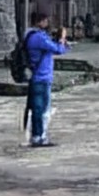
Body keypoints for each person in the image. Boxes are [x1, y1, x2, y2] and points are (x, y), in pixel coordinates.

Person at [24, 11, 70, 148]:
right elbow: (58, 49)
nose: (47, 23)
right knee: (41, 109)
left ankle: (37, 135)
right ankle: (39, 137)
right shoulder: (39, 38)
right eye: (45, 21)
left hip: (37, 76)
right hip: (41, 77)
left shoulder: (29, 35)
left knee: (37, 108)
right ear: (40, 22)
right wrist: (62, 39)